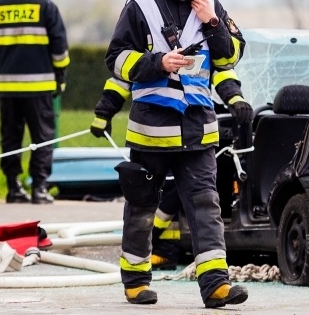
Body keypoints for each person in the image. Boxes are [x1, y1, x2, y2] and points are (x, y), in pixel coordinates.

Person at [102, 0, 248, 308]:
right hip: (151, 129)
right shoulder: (140, 6)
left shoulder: (210, 4)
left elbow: (230, 56)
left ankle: (216, 284)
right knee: (142, 206)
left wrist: (213, 23)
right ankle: (136, 280)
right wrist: (157, 62)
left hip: (198, 128)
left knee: (205, 205)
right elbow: (116, 59)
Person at [90, 69, 254, 270]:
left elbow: (221, 70)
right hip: (155, 134)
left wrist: (235, 98)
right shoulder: (148, 48)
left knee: (192, 194)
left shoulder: (206, 47)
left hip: (195, 129)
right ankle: (157, 251)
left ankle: (168, 252)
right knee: (156, 194)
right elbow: (125, 75)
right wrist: (103, 113)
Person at [0, 0, 70, 204]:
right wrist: (60, 77)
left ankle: (13, 188)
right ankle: (39, 188)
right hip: (40, 88)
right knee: (43, 138)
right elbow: (60, 49)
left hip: (8, 89)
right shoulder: (46, 6)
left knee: (11, 138)